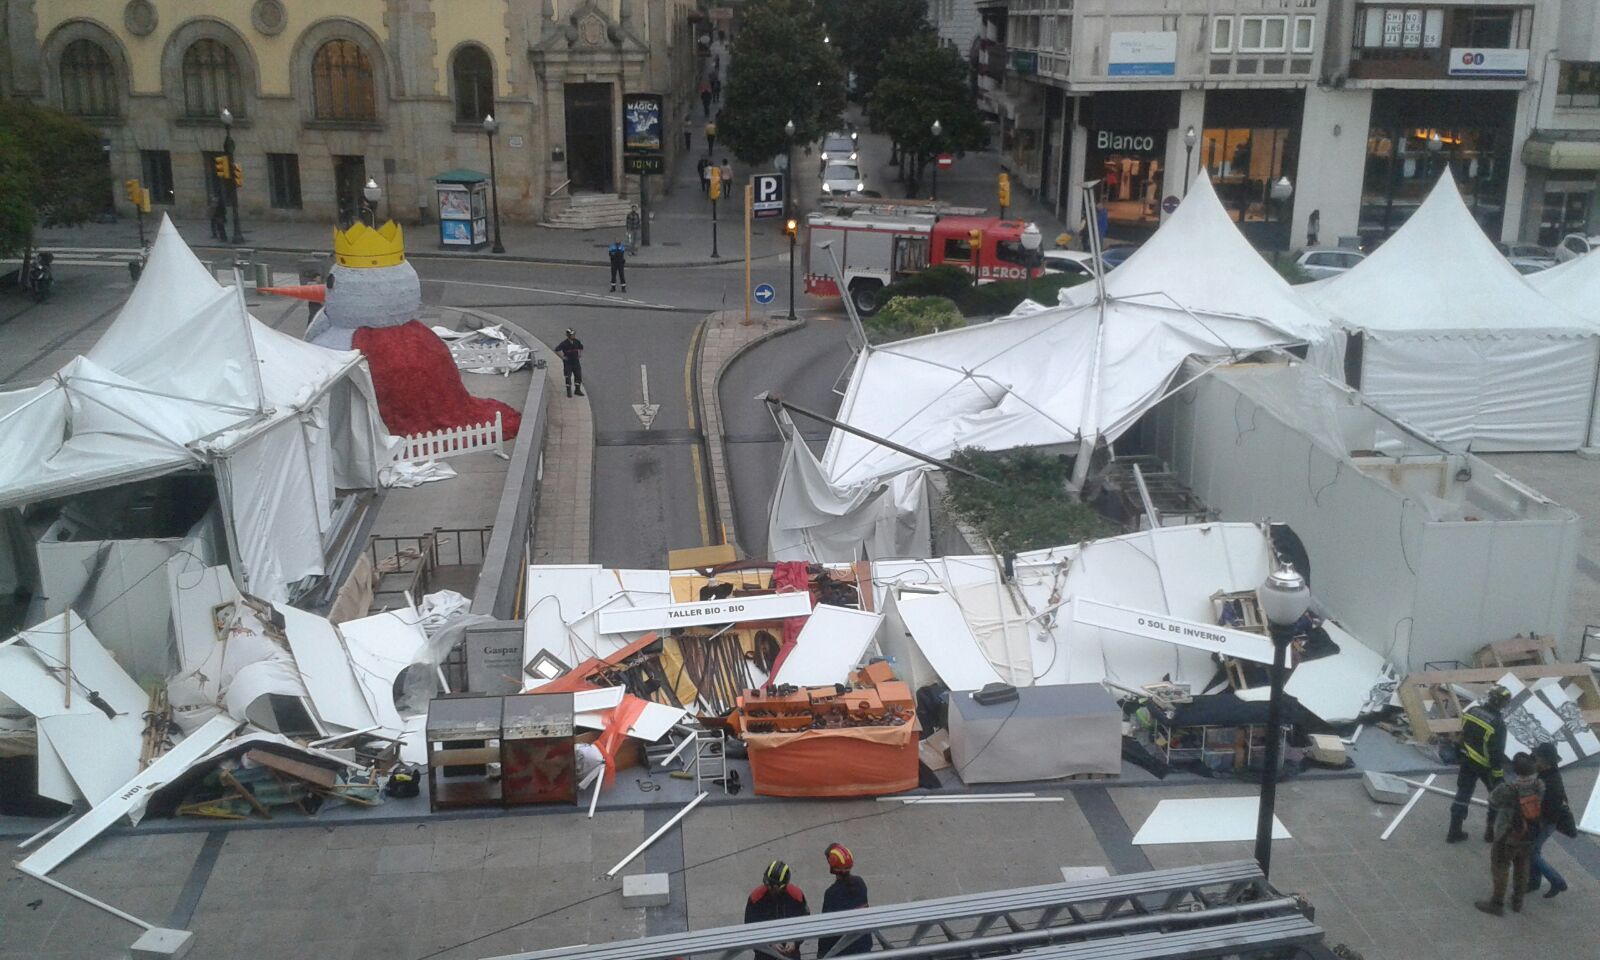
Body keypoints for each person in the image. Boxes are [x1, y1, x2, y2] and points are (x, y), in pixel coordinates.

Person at [1476, 752, 1545, 916]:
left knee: (1500, 866)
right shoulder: (1539, 785)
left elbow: (1492, 800)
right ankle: (1517, 901)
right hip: (1530, 832)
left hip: (1508, 834)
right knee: (1522, 866)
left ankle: (1497, 902)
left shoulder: (1508, 788)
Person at [1448, 684, 1510, 843]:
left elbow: (1463, 734)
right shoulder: (1498, 724)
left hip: (1467, 759)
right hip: (1485, 766)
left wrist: (1458, 751)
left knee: (1463, 793)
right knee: (1496, 798)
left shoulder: (1472, 711)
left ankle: (1454, 830)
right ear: (1504, 704)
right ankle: (1490, 832)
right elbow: (1496, 754)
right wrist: (1498, 776)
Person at [1527, 741, 1574, 899]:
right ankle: (1534, 882)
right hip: (1545, 821)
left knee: (1530, 852)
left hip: (1546, 822)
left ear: (1545, 762)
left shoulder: (1549, 783)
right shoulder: (1549, 774)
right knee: (1534, 850)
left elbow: (1548, 810)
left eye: (1537, 758)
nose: (1535, 761)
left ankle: (1557, 881)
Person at [745, 861, 808, 957]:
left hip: (790, 954)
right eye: (767, 884)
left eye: (773, 886)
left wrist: (795, 942)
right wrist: (770, 943)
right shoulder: (756, 899)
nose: (769, 888)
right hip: (765, 955)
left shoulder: (796, 896)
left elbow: (805, 922)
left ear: (782, 886)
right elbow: (750, 927)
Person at [817, 843, 870, 957]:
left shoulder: (832, 894)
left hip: (842, 950)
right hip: (863, 945)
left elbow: (827, 928)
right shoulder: (860, 883)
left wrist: (821, 954)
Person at [555, 328, 584, 398]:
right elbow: (557, 350)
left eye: (574, 334)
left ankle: (577, 390)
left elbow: (581, 347)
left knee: (578, 376)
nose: (573, 336)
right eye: (572, 335)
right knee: (568, 376)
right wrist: (563, 357)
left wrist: (579, 354)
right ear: (568, 335)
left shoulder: (577, 341)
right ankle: (569, 391)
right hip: (568, 363)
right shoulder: (564, 343)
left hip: (576, 362)